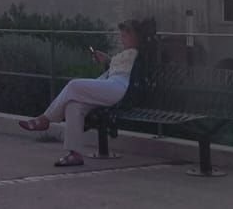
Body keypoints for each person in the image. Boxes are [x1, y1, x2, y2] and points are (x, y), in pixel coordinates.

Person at [19, 18, 154, 167]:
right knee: (73, 105)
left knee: (73, 85)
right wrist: (107, 60)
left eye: (125, 36)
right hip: (108, 83)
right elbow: (118, 67)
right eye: (121, 36)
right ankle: (74, 154)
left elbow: (128, 73)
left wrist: (109, 62)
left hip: (118, 87)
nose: (122, 39)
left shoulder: (136, 53)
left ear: (136, 36)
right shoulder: (126, 54)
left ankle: (45, 119)